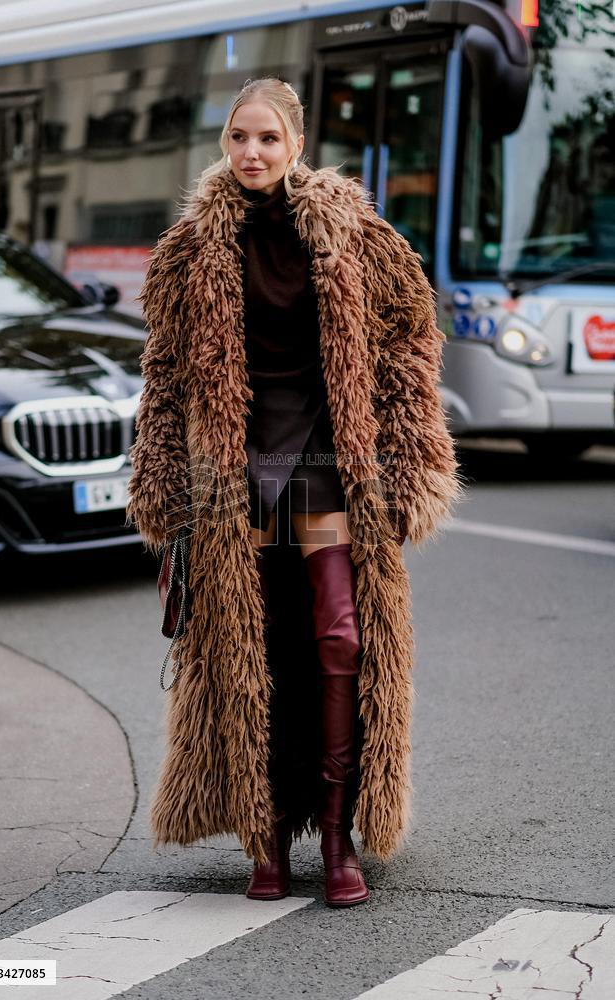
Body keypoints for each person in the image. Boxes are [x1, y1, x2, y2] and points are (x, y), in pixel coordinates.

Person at [127, 77, 462, 908]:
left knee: (341, 639)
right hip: (236, 480)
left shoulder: (356, 235)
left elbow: (410, 338)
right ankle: (269, 837)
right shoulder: (189, 251)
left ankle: (340, 838)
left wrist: (412, 451)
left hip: (322, 466)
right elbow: (163, 377)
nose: (252, 153)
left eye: (268, 139)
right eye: (239, 137)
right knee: (257, 651)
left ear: (296, 146)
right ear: (224, 144)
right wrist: (162, 478)